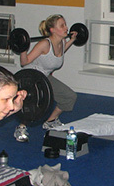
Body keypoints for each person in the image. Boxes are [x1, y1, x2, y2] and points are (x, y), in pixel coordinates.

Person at [13, 14, 78, 142]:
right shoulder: (44, 44)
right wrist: (23, 48)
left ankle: (50, 121)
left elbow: (61, 51)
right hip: (30, 77)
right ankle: (21, 127)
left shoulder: (61, 42)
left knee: (70, 96)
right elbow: (24, 62)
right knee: (34, 104)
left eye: (65, 24)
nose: (66, 28)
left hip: (44, 77)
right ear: (52, 30)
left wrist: (73, 39)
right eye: (62, 25)